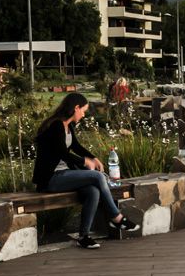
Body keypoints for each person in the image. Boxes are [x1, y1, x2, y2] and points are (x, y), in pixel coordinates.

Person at [32, 92, 139, 249]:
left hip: (63, 176)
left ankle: (84, 236)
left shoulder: (68, 126)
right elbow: (63, 153)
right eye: (83, 110)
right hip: (51, 179)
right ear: (76, 108)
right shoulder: (56, 126)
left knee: (92, 192)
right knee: (97, 177)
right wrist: (84, 161)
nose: (83, 114)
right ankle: (116, 217)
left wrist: (93, 158)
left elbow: (76, 147)